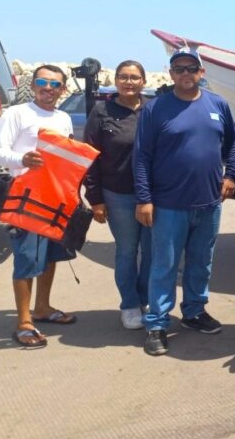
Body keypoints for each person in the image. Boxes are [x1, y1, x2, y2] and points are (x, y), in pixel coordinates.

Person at [133, 47, 235, 356]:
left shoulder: (217, 104)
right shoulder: (156, 108)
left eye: (191, 68)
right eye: (178, 69)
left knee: (201, 263)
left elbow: (232, 144)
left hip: (208, 203)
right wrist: (144, 199)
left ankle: (194, 311)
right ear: (171, 74)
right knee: (163, 266)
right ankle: (157, 323)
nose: (185, 74)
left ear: (201, 72)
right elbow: (141, 156)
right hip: (168, 204)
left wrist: (230, 175)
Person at [0, 65, 77, 348]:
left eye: (55, 84)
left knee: (51, 256)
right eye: (42, 82)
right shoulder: (16, 113)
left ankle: (42, 307)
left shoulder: (64, 118)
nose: (48, 88)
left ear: (63, 89)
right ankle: (24, 322)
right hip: (24, 199)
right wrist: (22, 159)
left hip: (56, 198)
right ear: (34, 84)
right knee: (27, 259)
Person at [83, 60, 152, 330]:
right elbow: (90, 157)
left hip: (152, 196)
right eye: (123, 77)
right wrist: (96, 199)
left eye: (135, 77)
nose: (129, 82)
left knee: (152, 252)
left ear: (144, 81)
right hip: (118, 195)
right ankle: (130, 305)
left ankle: (145, 301)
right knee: (126, 251)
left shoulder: (153, 110)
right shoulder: (102, 111)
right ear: (115, 80)